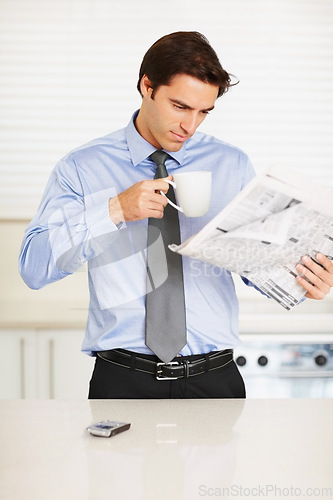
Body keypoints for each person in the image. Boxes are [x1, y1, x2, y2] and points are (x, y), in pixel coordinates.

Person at [19, 31, 333, 399]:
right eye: (180, 107)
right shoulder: (82, 167)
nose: (191, 126)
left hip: (215, 377)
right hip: (122, 378)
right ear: (147, 86)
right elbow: (34, 269)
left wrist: (304, 279)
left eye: (204, 112)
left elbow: (255, 261)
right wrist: (115, 209)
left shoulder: (231, 164)